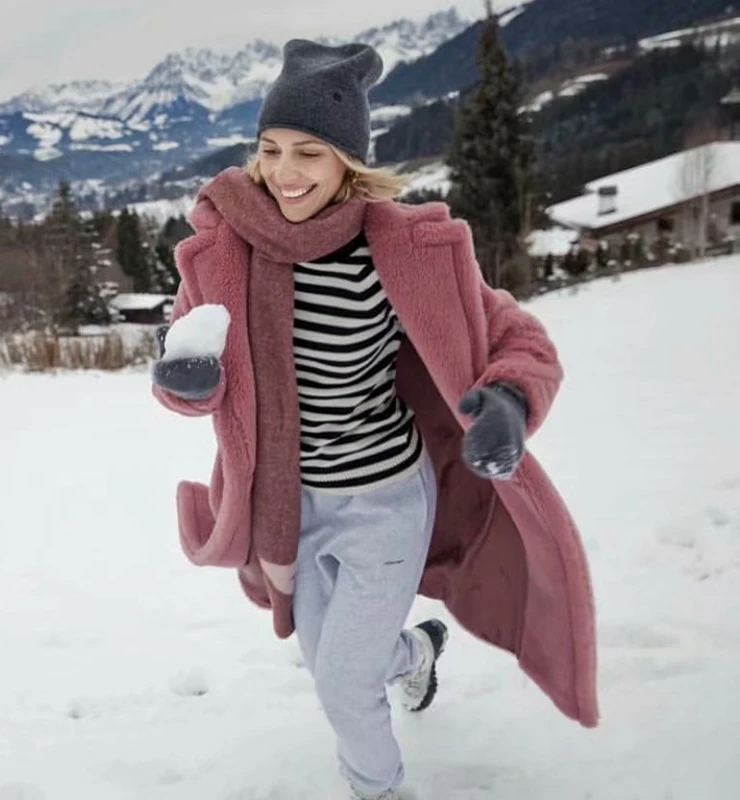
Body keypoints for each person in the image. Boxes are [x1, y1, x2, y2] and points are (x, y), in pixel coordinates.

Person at [151, 39, 598, 800]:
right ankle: (416, 656)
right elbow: (188, 369)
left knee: (344, 689)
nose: (285, 173)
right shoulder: (233, 252)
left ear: (347, 164)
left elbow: (518, 338)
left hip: (387, 499)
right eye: (271, 150)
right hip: (291, 509)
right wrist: (184, 378)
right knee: (332, 665)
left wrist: (509, 400)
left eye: (309, 155)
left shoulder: (403, 251)